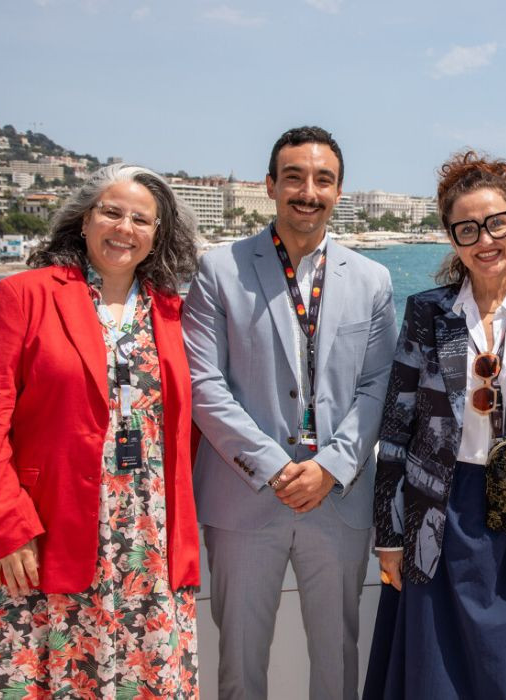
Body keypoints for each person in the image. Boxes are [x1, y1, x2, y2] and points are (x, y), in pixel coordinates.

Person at [0, 163, 201, 698]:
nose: (125, 228)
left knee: (146, 680)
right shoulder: (24, 295)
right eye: (112, 212)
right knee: (48, 679)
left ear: (158, 236)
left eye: (141, 220)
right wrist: (8, 529)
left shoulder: (172, 312)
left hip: (146, 539)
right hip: (44, 532)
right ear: (84, 220)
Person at [182, 125, 397, 700]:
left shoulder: (373, 280)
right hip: (245, 495)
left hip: (337, 497)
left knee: (337, 659)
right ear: (270, 185)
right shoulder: (218, 270)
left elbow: (378, 383)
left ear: (339, 191)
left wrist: (331, 466)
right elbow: (204, 384)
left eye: (323, 180)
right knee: (240, 660)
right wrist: (274, 467)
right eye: (294, 177)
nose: (308, 191)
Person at [366, 151, 506, 699]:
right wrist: (389, 536)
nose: (485, 240)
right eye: (468, 229)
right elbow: (396, 430)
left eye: (496, 223)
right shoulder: (427, 312)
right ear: (452, 237)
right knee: (437, 680)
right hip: (440, 515)